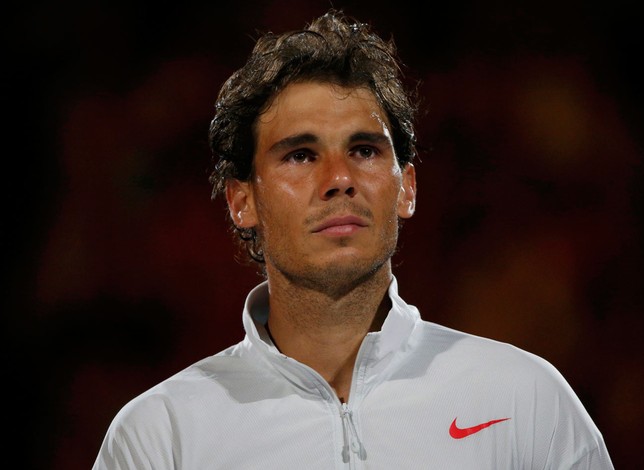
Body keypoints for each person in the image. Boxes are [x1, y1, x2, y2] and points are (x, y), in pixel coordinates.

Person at [93, 9, 614, 469]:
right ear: (242, 201)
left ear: (406, 187)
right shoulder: (161, 437)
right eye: (300, 155)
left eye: (364, 150)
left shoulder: (525, 399)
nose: (339, 177)